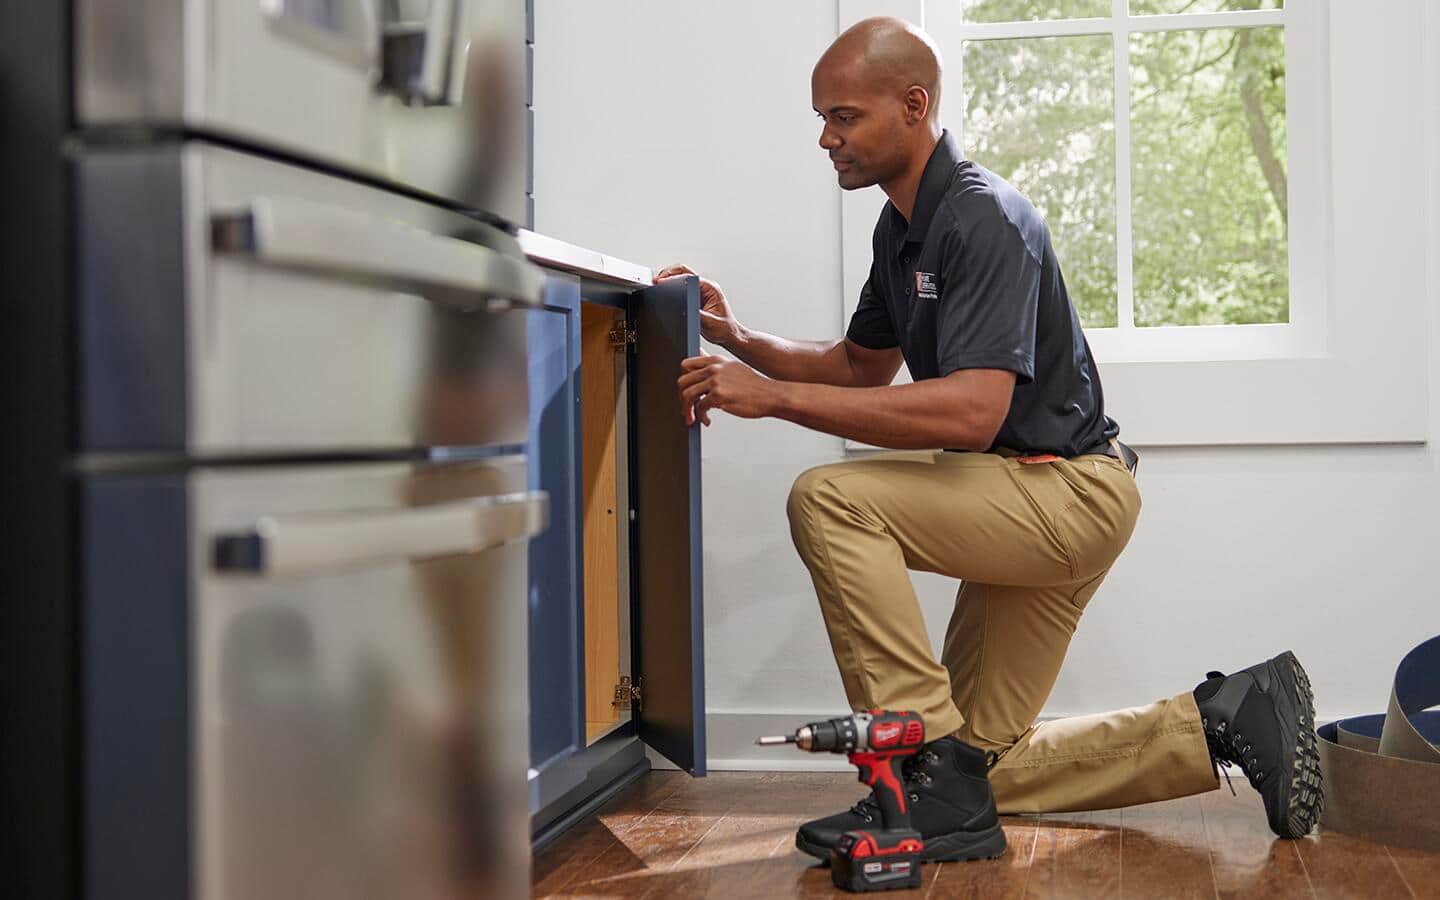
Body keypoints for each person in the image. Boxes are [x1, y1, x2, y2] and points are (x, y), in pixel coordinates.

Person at [657, 16, 1322, 863]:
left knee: (829, 499)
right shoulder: (900, 230)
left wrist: (774, 400)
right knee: (979, 771)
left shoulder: (983, 219)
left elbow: (971, 412)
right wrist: (736, 337)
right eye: (821, 119)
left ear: (913, 105)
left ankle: (910, 769)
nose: (826, 138)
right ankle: (1223, 718)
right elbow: (861, 366)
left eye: (844, 117)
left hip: (1066, 492)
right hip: (1031, 491)